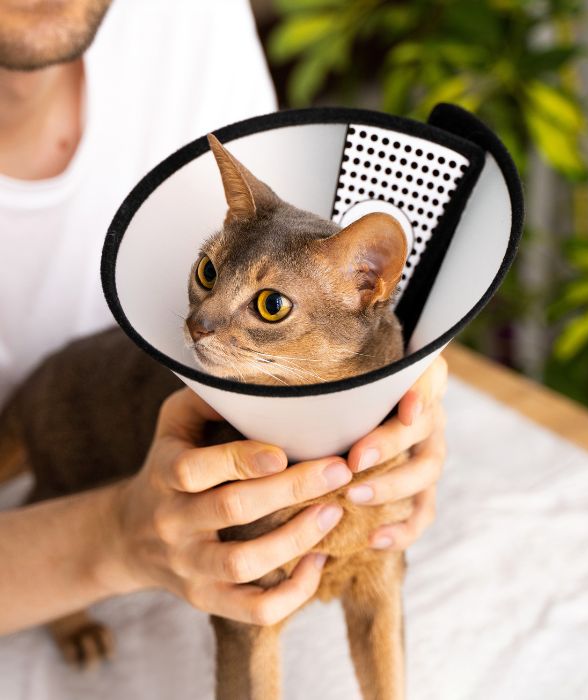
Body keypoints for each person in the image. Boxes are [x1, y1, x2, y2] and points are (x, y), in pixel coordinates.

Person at [0, 0, 447, 637]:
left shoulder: (192, 15)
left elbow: (290, 245)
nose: (202, 324)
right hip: (76, 407)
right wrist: (110, 540)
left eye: (264, 304)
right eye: (208, 278)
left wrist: (405, 389)